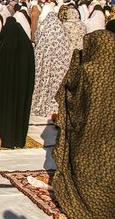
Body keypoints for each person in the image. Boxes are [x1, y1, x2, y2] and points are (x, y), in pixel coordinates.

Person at [53, 29, 115, 218]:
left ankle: (85, 203)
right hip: (109, 133)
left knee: (87, 164)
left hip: (89, 131)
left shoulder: (87, 70)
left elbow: (69, 95)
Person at [0, 17, 35, 148]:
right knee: (21, 109)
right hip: (23, 87)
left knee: (7, 110)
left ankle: (8, 139)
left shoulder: (6, 47)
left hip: (7, 90)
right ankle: (20, 139)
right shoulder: (27, 46)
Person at [32, 13, 71, 117]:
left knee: (46, 81)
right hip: (59, 65)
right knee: (57, 83)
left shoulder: (45, 31)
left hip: (46, 63)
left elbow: (38, 44)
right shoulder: (61, 32)